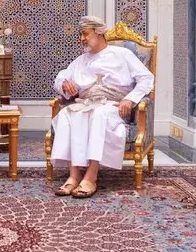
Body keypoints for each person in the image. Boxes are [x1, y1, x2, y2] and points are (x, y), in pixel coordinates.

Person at [51, 16, 154, 198]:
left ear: (99, 33)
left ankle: (91, 176)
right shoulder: (81, 60)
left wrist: (130, 100)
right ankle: (74, 175)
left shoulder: (123, 55)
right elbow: (60, 78)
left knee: (99, 114)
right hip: (86, 103)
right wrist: (65, 84)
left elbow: (146, 78)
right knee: (67, 113)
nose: (81, 39)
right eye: (80, 34)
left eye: (85, 34)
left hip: (113, 105)